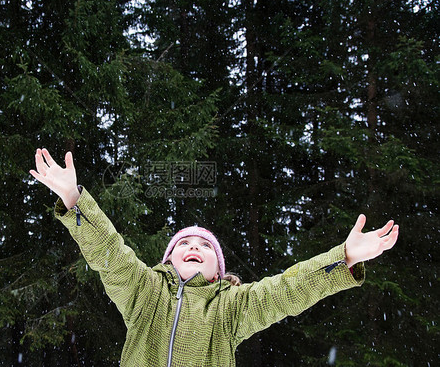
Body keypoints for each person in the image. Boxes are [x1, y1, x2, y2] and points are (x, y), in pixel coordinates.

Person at [30, 148, 399, 367]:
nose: (194, 247)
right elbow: (108, 252)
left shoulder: (231, 309)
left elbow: (288, 291)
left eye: (205, 246)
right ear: (168, 259)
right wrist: (75, 201)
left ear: (219, 270)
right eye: (184, 244)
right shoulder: (143, 292)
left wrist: (345, 257)